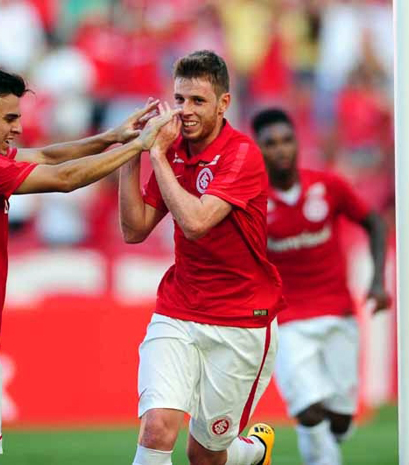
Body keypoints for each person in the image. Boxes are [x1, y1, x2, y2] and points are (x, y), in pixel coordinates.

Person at [0, 67, 179, 465]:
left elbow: (47, 155)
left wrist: (114, 137)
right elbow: (63, 178)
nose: (18, 127)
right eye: (10, 118)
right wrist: (141, 146)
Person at [118, 50, 284, 465]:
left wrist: (156, 156)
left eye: (197, 101)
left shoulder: (241, 155)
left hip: (241, 321)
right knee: (156, 426)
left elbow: (195, 222)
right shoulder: (174, 152)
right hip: (179, 310)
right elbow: (133, 230)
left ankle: (253, 453)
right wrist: (131, 152)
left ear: (223, 104)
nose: (185, 111)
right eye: (179, 100)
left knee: (205, 455)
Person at [251, 108, 390, 465]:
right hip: (288, 321)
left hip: (338, 314)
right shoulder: (253, 203)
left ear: (297, 143)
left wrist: (377, 281)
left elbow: (374, 222)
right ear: (259, 149)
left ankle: (337, 429)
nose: (280, 149)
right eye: (271, 144)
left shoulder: (328, 186)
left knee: (340, 418)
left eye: (286, 140)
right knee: (308, 409)